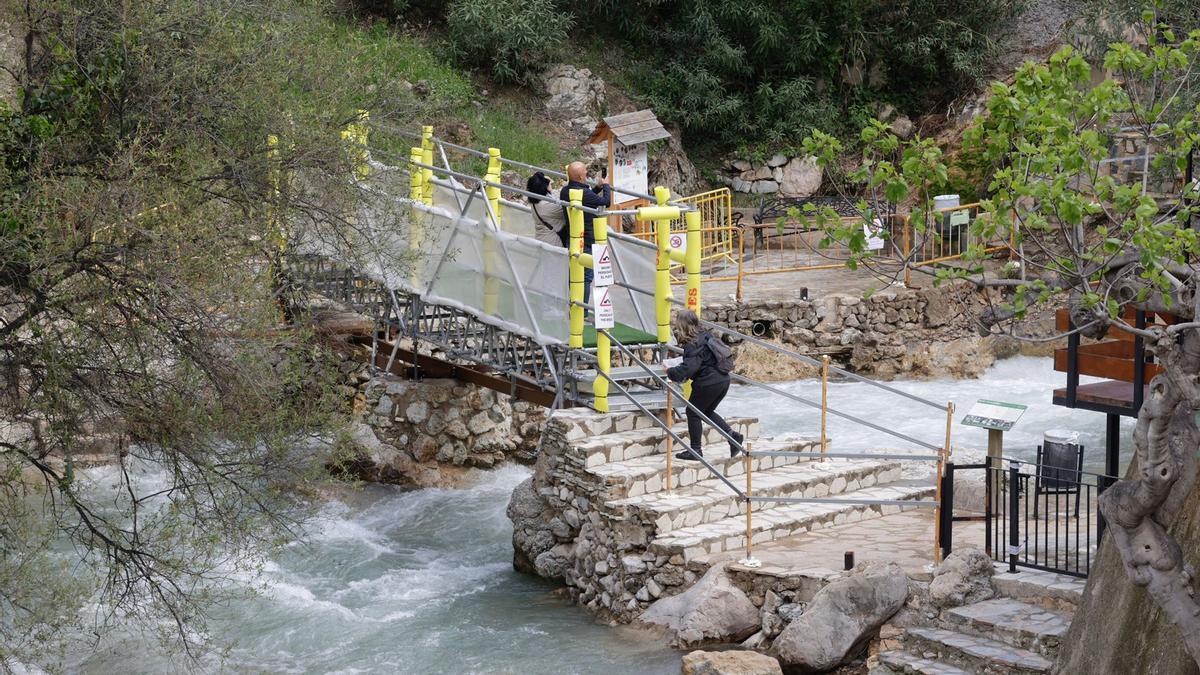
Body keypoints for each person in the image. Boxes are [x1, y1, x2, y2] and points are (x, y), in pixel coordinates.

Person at [665, 309, 743, 462]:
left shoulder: (691, 343)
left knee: (693, 412)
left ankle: (695, 450)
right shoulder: (706, 335)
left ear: (682, 326)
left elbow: (688, 369)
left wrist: (670, 371)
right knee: (705, 411)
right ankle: (733, 436)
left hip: (708, 382)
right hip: (723, 379)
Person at [559, 161, 611, 300]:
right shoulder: (583, 192)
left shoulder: (565, 191)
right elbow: (606, 202)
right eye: (585, 172)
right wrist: (606, 185)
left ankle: (576, 308)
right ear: (581, 177)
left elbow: (586, 198)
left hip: (573, 237)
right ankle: (583, 311)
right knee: (586, 277)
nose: (587, 174)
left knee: (575, 275)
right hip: (587, 239)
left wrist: (597, 188)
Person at [526, 172, 566, 247]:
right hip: (553, 243)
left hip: (541, 239)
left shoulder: (534, 201)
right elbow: (568, 211)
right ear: (545, 187)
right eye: (550, 184)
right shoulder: (547, 206)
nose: (551, 186)